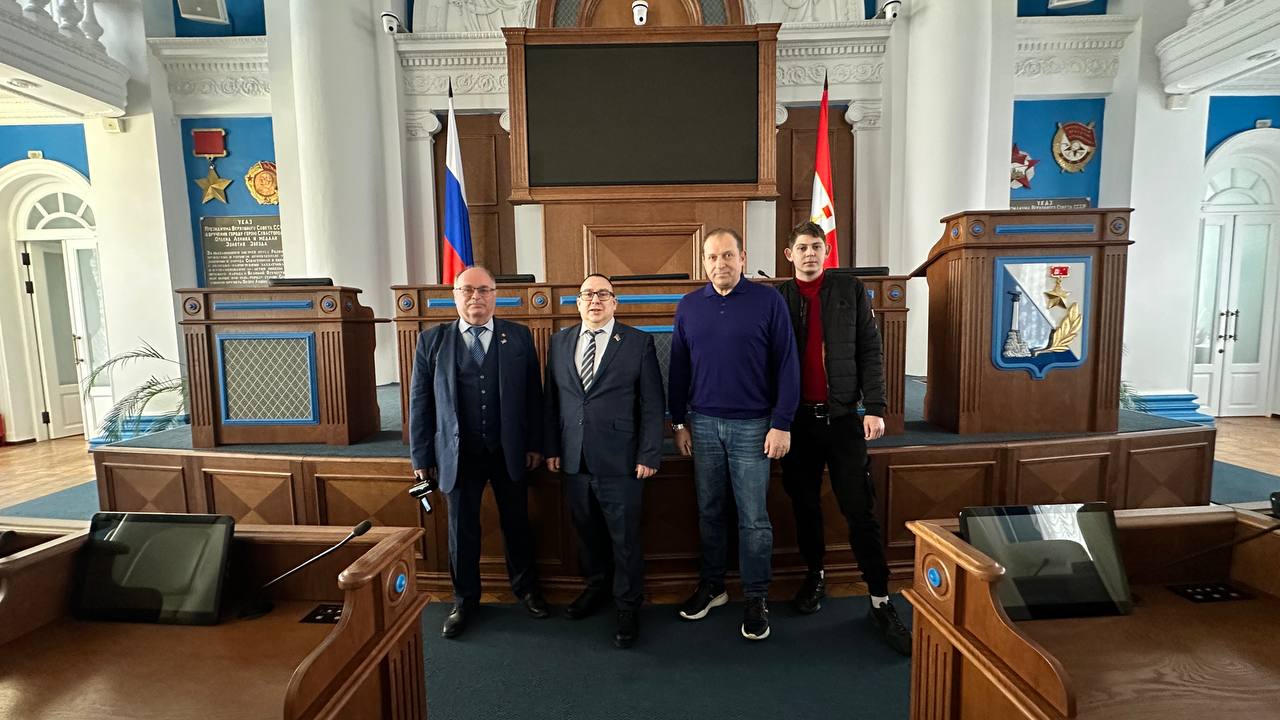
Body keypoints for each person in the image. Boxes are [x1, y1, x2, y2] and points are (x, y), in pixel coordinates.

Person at [777, 221, 911, 656]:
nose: (810, 254)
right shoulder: (779, 298)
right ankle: (815, 576)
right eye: (802, 247)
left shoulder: (850, 290)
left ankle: (880, 598)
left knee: (859, 510)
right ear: (789, 255)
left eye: (816, 246)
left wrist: (875, 406)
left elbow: (870, 350)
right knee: (805, 506)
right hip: (797, 423)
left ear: (826, 251)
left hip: (843, 421)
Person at [668, 228, 800, 641]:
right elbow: (678, 368)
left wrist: (782, 422)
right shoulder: (689, 306)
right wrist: (678, 423)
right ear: (703, 263)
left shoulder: (768, 301)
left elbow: (787, 364)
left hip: (755, 427)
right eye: (712, 257)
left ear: (743, 258)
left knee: (753, 519)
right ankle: (713, 586)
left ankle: (756, 596)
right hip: (703, 425)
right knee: (709, 511)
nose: (720, 264)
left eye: (727, 255)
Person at [408, 265, 548, 639]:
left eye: (484, 290)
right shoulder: (431, 341)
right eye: (467, 290)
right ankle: (465, 600)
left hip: (509, 450)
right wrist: (421, 457)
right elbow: (420, 403)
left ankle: (526, 590)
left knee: (516, 523)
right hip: (458, 454)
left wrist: (536, 443)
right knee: (462, 530)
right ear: (454, 295)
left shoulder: (518, 337)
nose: (476, 297)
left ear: (495, 295)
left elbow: (534, 396)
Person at [544, 273, 665, 648]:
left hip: (622, 460)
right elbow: (552, 401)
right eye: (587, 294)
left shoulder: (637, 343)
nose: (594, 300)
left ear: (615, 303)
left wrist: (648, 453)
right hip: (573, 457)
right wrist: (552, 448)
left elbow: (652, 404)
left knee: (624, 538)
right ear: (578, 303)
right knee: (587, 532)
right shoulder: (559, 342)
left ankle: (628, 605)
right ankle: (597, 586)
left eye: (603, 294)